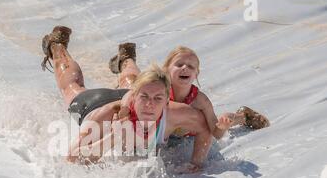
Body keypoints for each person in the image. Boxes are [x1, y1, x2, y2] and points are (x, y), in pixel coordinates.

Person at [41, 26, 212, 171]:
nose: (150, 105)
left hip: (129, 92)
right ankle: (56, 46)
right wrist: (113, 137)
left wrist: (196, 164)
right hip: (94, 103)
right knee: (72, 86)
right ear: (134, 98)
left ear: (168, 101)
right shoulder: (107, 117)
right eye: (144, 97)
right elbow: (72, 158)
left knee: (134, 82)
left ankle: (125, 59)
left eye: (158, 99)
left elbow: (204, 129)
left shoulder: (175, 112)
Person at [111, 44, 270, 139]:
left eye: (191, 67)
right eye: (179, 64)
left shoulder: (200, 101)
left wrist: (222, 127)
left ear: (196, 74)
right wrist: (125, 109)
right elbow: (130, 94)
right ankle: (127, 59)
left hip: (180, 135)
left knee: (222, 120)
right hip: (163, 131)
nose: (185, 68)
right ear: (166, 70)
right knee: (130, 81)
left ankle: (243, 116)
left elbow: (215, 133)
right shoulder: (157, 89)